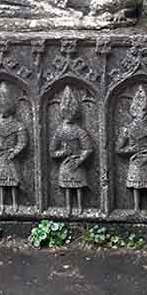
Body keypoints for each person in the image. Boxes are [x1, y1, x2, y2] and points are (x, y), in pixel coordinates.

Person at [116, 86, 147, 213]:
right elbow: (119, 149)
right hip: (135, 161)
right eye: (140, 111)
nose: (143, 114)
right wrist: (132, 149)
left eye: (145, 112)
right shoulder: (127, 129)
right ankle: (136, 207)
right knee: (136, 186)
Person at [49, 86, 94, 214]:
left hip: (77, 163)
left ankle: (80, 206)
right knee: (67, 187)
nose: (68, 114)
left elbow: (88, 148)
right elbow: (52, 151)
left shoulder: (80, 131)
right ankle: (68, 207)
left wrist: (79, 160)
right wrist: (63, 153)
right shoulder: (59, 131)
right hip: (65, 164)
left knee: (79, 187)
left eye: (71, 111)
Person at [0, 83, 27, 210]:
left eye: (6, 105)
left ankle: (15, 203)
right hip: (0, 157)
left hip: (12, 157)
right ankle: (2, 204)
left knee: (13, 182)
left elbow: (22, 142)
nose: (3, 107)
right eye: (1, 105)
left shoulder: (18, 125)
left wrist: (14, 152)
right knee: (0, 182)